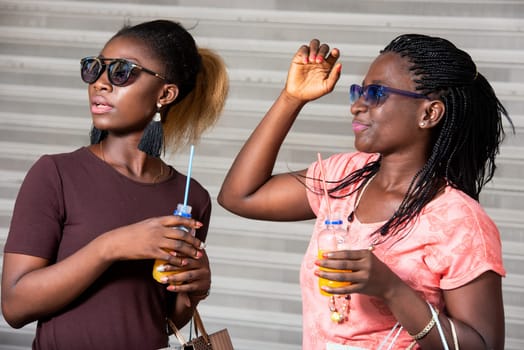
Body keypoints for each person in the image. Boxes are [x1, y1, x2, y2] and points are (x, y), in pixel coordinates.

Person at [218, 34, 512, 349]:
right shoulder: (343, 178)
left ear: (429, 113)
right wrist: (292, 98)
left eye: (376, 93)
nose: (357, 106)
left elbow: (483, 345)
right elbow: (240, 196)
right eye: (359, 92)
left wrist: (392, 289)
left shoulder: (459, 221)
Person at [1, 19, 228, 349]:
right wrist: (111, 247)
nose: (100, 84)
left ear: (165, 93)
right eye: (95, 69)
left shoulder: (192, 196)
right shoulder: (55, 174)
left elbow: (162, 319)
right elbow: (15, 306)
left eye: (122, 71)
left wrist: (194, 290)